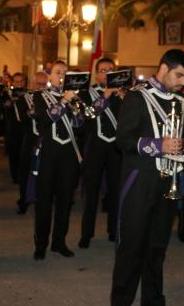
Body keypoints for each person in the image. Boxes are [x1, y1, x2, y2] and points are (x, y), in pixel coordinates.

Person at [111, 49, 184, 306]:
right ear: (163, 68)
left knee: (157, 248)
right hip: (139, 183)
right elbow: (123, 141)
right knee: (131, 248)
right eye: (179, 75)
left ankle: (153, 299)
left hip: (168, 182)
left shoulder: (180, 102)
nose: (183, 83)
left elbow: (179, 138)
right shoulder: (137, 96)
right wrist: (158, 145)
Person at [32, 60, 84, 260]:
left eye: (65, 73)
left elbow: (80, 126)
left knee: (65, 201)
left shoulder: (73, 98)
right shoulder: (39, 96)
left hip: (69, 155)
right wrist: (63, 101)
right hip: (48, 154)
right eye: (57, 72)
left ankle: (59, 242)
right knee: (44, 201)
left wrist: (75, 106)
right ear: (49, 75)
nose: (61, 76)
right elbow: (44, 120)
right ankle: (41, 244)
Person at [78, 57, 123, 249]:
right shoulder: (87, 93)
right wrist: (105, 95)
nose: (106, 73)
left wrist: (122, 97)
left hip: (115, 148)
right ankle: (86, 234)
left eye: (110, 70)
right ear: (97, 73)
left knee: (115, 192)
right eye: (103, 70)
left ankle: (114, 230)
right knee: (91, 193)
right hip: (95, 147)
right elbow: (88, 114)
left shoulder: (122, 94)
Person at [15, 71, 48, 214]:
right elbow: (20, 118)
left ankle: (44, 199)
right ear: (32, 84)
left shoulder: (51, 98)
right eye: (38, 84)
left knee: (46, 172)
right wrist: (32, 112)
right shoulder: (25, 98)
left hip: (47, 140)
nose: (41, 87)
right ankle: (24, 200)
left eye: (43, 84)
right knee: (25, 172)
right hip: (30, 139)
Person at [4, 72, 27, 183]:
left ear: (24, 82)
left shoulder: (28, 94)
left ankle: (23, 174)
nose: (18, 84)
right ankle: (15, 176)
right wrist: (10, 102)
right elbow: (3, 108)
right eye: (16, 81)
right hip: (13, 128)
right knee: (13, 154)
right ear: (12, 82)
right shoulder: (7, 94)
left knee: (24, 153)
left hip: (25, 128)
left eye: (20, 81)